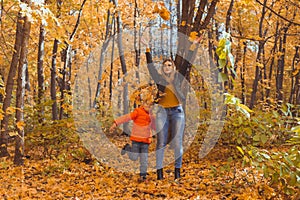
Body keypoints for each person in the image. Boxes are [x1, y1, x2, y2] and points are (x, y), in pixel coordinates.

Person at [142, 37, 199, 180]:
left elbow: (186, 64)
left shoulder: (178, 78)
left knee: (178, 142)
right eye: (165, 65)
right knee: (160, 142)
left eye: (169, 65)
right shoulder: (159, 79)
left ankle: (177, 173)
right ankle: (159, 174)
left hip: (177, 112)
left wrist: (193, 46)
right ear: (163, 68)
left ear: (173, 67)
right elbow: (150, 66)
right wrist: (147, 48)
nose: (167, 67)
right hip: (162, 112)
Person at [109, 91, 155, 182]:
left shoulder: (152, 116)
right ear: (143, 104)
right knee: (134, 157)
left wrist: (156, 120)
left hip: (146, 141)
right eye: (147, 104)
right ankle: (127, 148)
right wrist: (116, 123)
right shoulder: (138, 112)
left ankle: (143, 176)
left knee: (144, 160)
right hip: (136, 140)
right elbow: (126, 117)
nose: (148, 107)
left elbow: (155, 127)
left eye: (150, 105)